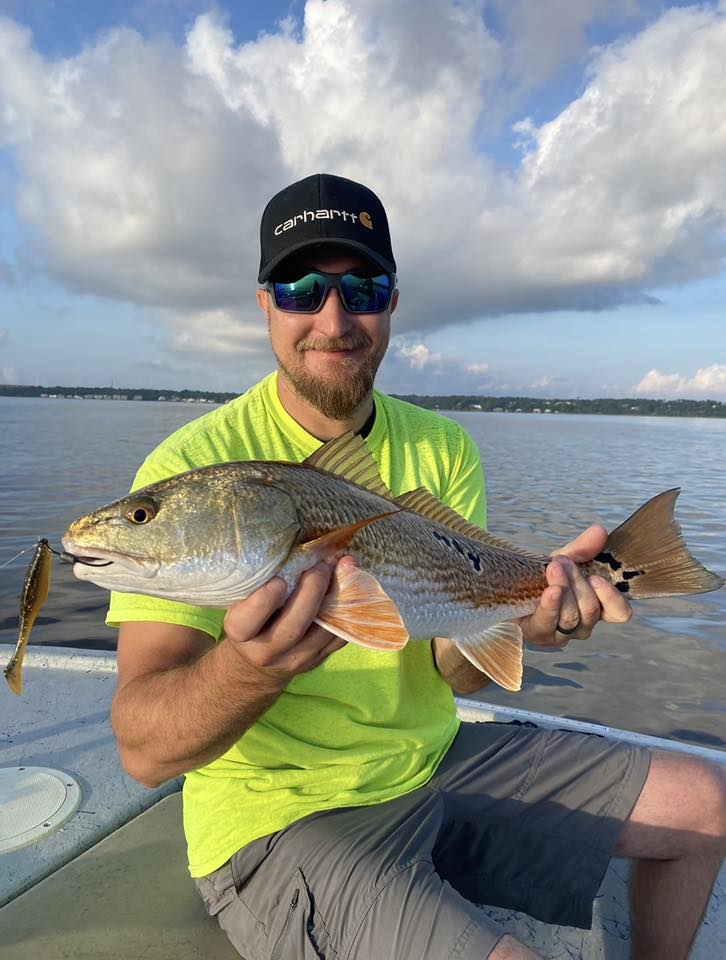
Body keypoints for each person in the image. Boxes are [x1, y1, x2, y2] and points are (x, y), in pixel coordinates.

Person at [108, 173, 726, 960]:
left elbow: (452, 668)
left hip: (434, 762)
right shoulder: (191, 466)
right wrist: (253, 668)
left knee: (708, 806)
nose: (334, 319)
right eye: (301, 289)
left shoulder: (442, 447)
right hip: (281, 818)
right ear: (265, 302)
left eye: (362, 287)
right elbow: (143, 750)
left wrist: (527, 617)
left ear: (393, 302)